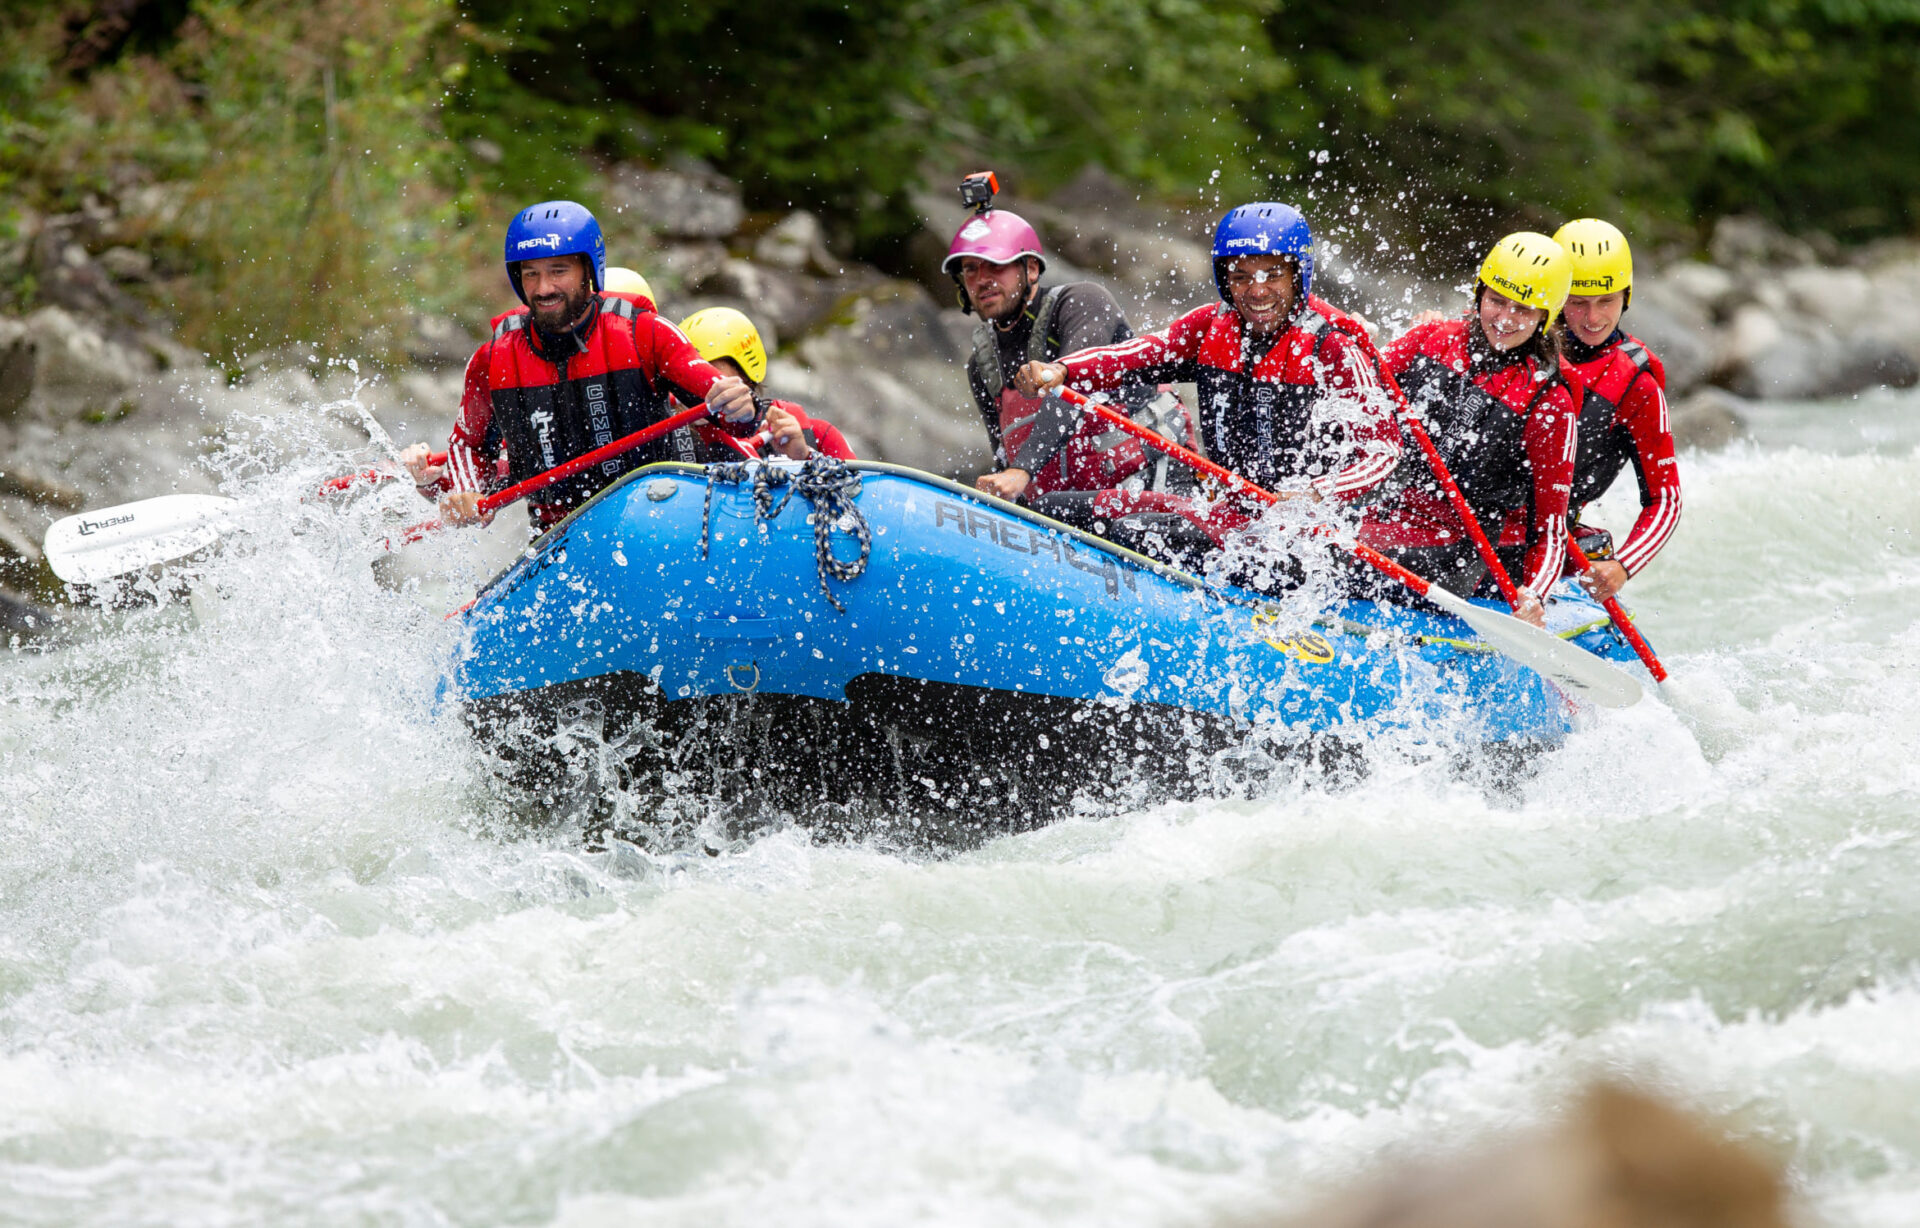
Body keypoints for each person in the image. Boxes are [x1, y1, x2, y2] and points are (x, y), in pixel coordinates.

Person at [1011, 202, 1404, 569]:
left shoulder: (1334, 344)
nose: (1257, 291)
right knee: (1056, 506)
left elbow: (1383, 450)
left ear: (1299, 274)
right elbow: (1138, 354)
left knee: (1131, 533)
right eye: (1241, 277)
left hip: (1298, 537)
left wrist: (1315, 492)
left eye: (1273, 275)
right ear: (1224, 279)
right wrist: (1063, 370)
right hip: (1222, 514)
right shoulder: (1211, 327)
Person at [423, 202, 755, 530]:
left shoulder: (645, 333)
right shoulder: (493, 359)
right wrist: (467, 491)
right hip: (558, 538)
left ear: (589, 271)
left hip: (656, 518)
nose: (543, 288)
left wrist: (738, 407)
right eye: (531, 274)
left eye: (558, 271)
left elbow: (728, 412)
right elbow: (469, 443)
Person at [1363, 232, 1581, 626]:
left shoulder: (1550, 404)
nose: (1505, 318)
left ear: (1545, 317)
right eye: (1496, 300)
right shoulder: (1430, 339)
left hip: (1464, 550)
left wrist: (1535, 594)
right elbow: (1352, 391)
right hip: (1388, 516)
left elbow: (1551, 529)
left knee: (1330, 555)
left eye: (1524, 309)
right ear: (1479, 294)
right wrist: (1351, 347)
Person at [942, 177, 1187, 503]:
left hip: (1157, 489)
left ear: (1030, 269)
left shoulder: (1082, 303)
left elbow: (1072, 392)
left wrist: (1022, 472)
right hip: (1076, 509)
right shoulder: (983, 366)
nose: (982, 280)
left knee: (1052, 506)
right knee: (1045, 506)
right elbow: (1005, 463)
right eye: (970, 269)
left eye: (995, 266)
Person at [1552, 217, 1680, 600]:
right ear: (1555, 297)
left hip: (1553, 537)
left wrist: (1623, 566)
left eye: (1606, 301)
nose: (1593, 319)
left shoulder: (1637, 387)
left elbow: (1665, 500)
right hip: (1469, 520)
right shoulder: (1510, 336)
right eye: (1578, 303)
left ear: (1626, 296)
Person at [676, 306, 857, 462]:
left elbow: (859, 498)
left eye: (710, 376)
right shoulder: (664, 441)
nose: (696, 389)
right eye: (686, 378)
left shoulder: (819, 436)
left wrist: (803, 459)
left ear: (745, 378)